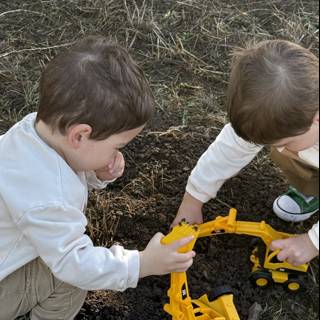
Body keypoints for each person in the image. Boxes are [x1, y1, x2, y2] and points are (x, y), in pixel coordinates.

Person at [0, 36, 195, 320]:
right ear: (80, 135)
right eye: (117, 146)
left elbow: (61, 171)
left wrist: (94, 174)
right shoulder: (49, 198)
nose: (116, 154)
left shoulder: (31, 131)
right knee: (69, 282)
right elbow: (73, 264)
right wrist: (141, 264)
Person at [172, 40, 319, 267]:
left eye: (286, 141)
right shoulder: (283, 118)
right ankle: (313, 192)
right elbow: (226, 153)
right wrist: (192, 200)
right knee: (293, 152)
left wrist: (312, 242)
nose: (279, 148)